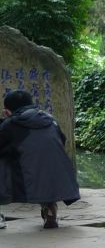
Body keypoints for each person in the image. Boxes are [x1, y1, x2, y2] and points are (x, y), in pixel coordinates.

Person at [0, 89, 80, 229]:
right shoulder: (49, 119)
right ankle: (49, 210)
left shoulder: (11, 124)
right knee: (42, 160)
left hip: (29, 179)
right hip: (61, 180)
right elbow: (61, 140)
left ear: (7, 110)